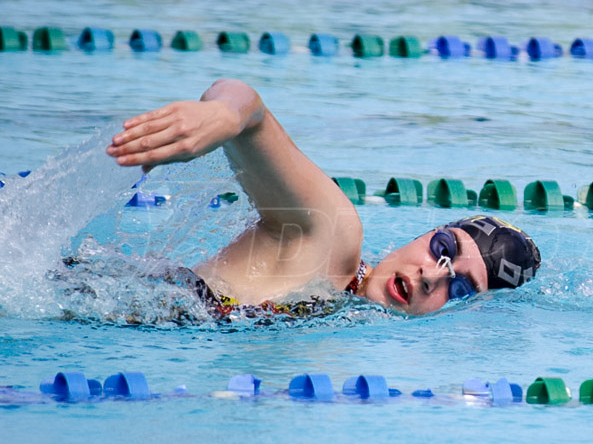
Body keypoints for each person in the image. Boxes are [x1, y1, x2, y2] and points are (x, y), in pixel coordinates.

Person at [105, 78, 541, 318]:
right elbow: (250, 109)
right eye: (442, 250)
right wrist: (221, 115)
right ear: (425, 234)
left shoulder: (339, 314)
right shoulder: (332, 241)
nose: (431, 277)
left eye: (461, 289)